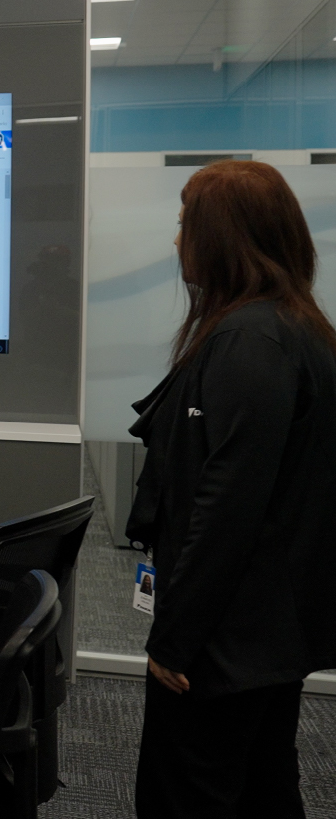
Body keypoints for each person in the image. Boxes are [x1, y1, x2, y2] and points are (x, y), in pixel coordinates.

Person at [126, 160, 336, 819]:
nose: (176, 239)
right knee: (261, 790)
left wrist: (174, 638)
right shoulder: (289, 328)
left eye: (186, 223)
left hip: (223, 642)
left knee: (184, 797)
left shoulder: (249, 340)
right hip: (265, 633)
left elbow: (226, 506)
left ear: (224, 237)